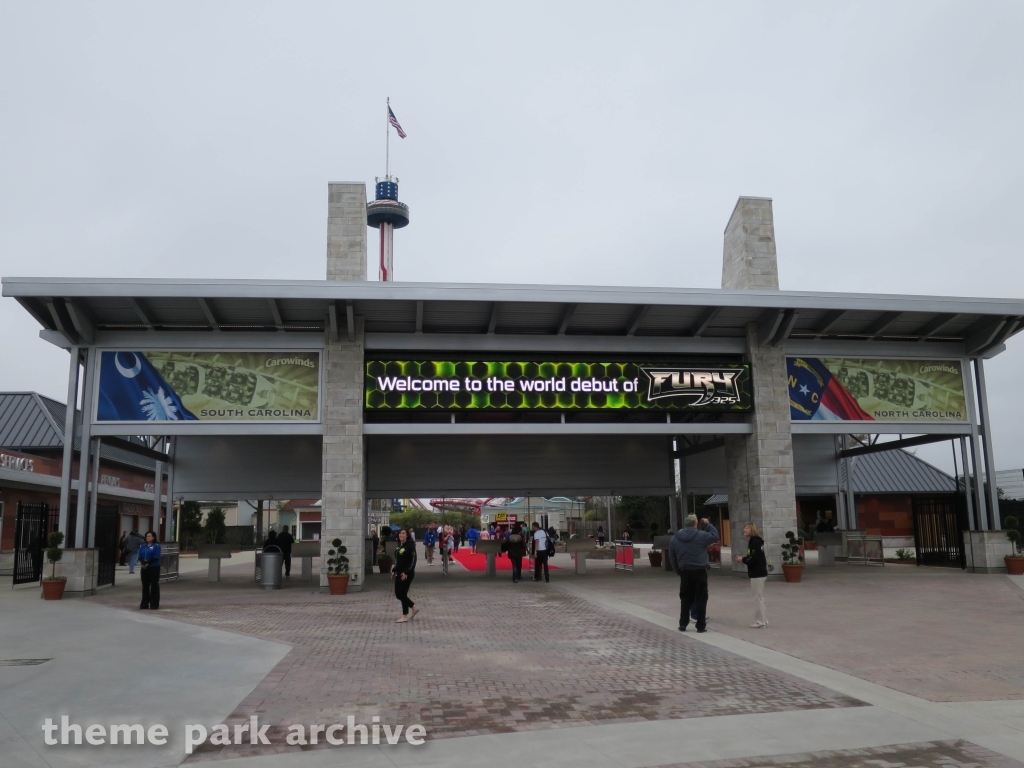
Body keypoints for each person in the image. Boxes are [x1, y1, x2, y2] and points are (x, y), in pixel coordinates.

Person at [668, 515, 719, 633]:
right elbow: (715, 536)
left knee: (685, 597)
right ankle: (700, 626)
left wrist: (678, 570)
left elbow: (672, 556)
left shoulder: (675, 538)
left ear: (685, 525)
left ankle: (683, 623)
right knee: (701, 598)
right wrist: (707, 524)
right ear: (695, 524)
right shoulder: (701, 535)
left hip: (685, 571)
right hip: (700, 571)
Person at [735, 522, 769, 628]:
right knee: (759, 597)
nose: (744, 530)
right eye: (744, 528)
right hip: (759, 572)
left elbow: (754, 558)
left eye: (747, 528)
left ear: (752, 530)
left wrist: (743, 559)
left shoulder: (755, 542)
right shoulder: (754, 541)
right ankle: (764, 620)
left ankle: (760, 621)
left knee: (757, 597)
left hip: (757, 573)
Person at [391, 528, 419, 623]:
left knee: (402, 594)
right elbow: (398, 561)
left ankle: (404, 616)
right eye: (400, 534)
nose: (401, 535)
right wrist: (394, 570)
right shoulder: (399, 545)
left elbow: (413, 560)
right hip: (399, 572)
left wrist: (407, 572)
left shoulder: (410, 546)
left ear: (407, 535)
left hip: (406, 573)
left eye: (403, 533)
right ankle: (413, 607)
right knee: (398, 594)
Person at [138, 531, 162, 610]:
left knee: (154, 585)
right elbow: (140, 556)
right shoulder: (143, 546)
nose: (148, 537)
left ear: (153, 537)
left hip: (153, 567)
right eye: (147, 536)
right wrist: (143, 563)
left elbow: (156, 557)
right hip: (144, 568)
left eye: (149, 536)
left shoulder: (156, 546)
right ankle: (144, 603)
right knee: (145, 586)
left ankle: (154, 604)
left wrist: (148, 563)